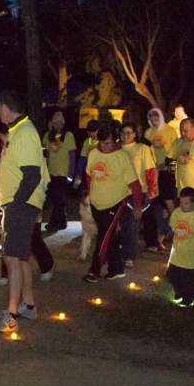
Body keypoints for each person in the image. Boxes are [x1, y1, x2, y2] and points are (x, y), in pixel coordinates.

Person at [0, 90, 50, 333]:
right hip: (17, 205)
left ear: (5, 107)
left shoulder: (25, 132)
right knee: (21, 256)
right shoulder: (17, 132)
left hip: (21, 206)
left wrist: (16, 204)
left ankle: (12, 315)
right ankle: (29, 305)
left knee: (12, 258)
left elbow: (32, 174)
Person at [0, 126, 54, 286]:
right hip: (11, 202)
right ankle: (6, 272)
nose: (4, 142)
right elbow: (3, 175)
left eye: (5, 138)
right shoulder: (6, 150)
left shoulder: (29, 148)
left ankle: (47, 265)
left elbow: (41, 178)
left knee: (33, 238)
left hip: (30, 202)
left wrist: (36, 202)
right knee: (8, 237)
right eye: (2, 139)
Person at [83, 121, 141, 283]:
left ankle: (94, 270)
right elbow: (89, 176)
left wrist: (137, 206)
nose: (104, 146)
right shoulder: (94, 153)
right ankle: (116, 269)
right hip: (96, 204)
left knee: (104, 237)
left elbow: (135, 184)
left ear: (115, 141)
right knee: (109, 237)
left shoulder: (122, 157)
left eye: (108, 143)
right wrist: (89, 194)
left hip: (115, 203)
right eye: (101, 143)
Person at [120, 121, 158, 262]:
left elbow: (150, 171)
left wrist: (151, 191)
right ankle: (121, 251)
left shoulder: (142, 148)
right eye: (123, 133)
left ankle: (129, 256)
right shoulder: (116, 148)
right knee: (121, 224)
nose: (125, 136)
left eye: (129, 133)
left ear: (135, 134)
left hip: (137, 192)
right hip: (118, 192)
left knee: (132, 226)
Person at [166, 187, 194, 306]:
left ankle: (188, 298)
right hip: (178, 252)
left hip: (190, 254)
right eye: (181, 202)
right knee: (171, 274)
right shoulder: (177, 212)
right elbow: (173, 224)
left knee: (188, 277)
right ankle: (179, 292)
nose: (183, 206)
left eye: (186, 203)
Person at [145, 107, 178, 243]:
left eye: (156, 117)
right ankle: (163, 229)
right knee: (155, 201)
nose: (154, 119)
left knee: (168, 199)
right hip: (152, 170)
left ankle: (178, 226)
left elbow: (175, 149)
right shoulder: (148, 132)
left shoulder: (170, 131)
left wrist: (168, 163)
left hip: (166, 170)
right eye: (152, 117)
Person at [42, 109, 74, 232]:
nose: (58, 125)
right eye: (55, 123)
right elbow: (44, 151)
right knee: (57, 199)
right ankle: (62, 222)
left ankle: (53, 223)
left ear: (63, 123)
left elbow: (72, 155)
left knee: (59, 199)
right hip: (51, 172)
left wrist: (71, 174)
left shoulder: (69, 135)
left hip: (64, 173)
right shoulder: (48, 136)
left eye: (60, 123)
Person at [73, 119, 100, 190]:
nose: (92, 134)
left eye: (94, 131)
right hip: (89, 173)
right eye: (90, 132)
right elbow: (82, 160)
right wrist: (78, 175)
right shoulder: (86, 142)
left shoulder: (103, 141)